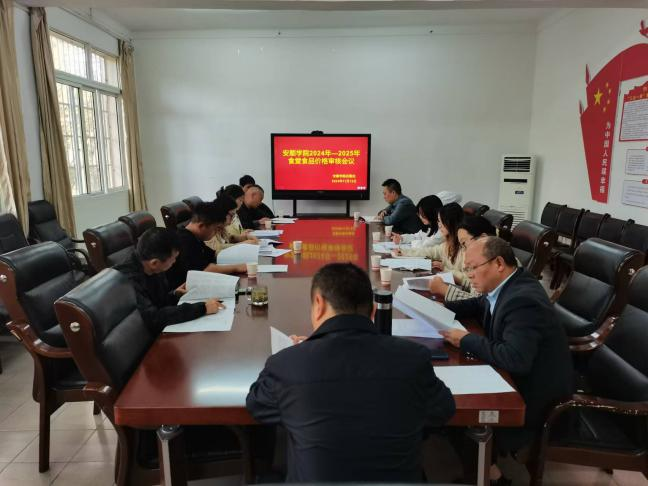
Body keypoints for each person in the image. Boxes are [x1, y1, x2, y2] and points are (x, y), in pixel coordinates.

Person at [246, 263, 455, 482]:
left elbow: (257, 404)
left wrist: (302, 352)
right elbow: (443, 409)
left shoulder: (287, 364)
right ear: (373, 312)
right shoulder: (413, 359)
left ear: (318, 304)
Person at [441, 236, 572, 484]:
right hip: (518, 382)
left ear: (499, 263)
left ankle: (492, 478)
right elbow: (478, 305)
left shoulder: (523, 300)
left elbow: (515, 358)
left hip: (536, 402)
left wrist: (466, 339)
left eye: (472, 268)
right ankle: (483, 469)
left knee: (453, 409)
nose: (468, 275)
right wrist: (438, 309)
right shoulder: (507, 285)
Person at [115, 227, 226, 334]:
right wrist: (202, 308)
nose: (174, 262)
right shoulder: (127, 281)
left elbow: (158, 302)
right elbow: (154, 318)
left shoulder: (150, 265)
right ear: (154, 263)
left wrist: (174, 295)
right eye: (173, 259)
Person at [166, 199, 246, 289]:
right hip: (182, 290)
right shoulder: (185, 240)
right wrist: (236, 267)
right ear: (201, 226)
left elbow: (213, 254)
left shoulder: (194, 237)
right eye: (215, 229)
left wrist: (241, 255)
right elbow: (205, 270)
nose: (216, 233)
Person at [397, 203, 468, 287]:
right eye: (438, 221)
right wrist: (403, 251)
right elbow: (429, 251)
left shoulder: (465, 249)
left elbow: (467, 280)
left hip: (457, 289)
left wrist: (445, 269)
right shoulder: (447, 244)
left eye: (441, 221)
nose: (439, 225)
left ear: (451, 223)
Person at [427, 215, 497, 301]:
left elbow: (480, 303)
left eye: (464, 243)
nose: (464, 251)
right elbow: (476, 292)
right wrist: (461, 280)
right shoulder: (485, 260)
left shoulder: (492, 263)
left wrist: (444, 290)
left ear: (483, 238)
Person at [205, 186, 259, 253]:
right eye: (232, 215)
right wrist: (243, 244)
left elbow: (228, 238)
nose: (232, 219)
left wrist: (245, 238)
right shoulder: (209, 226)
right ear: (223, 212)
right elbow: (216, 249)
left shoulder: (221, 226)